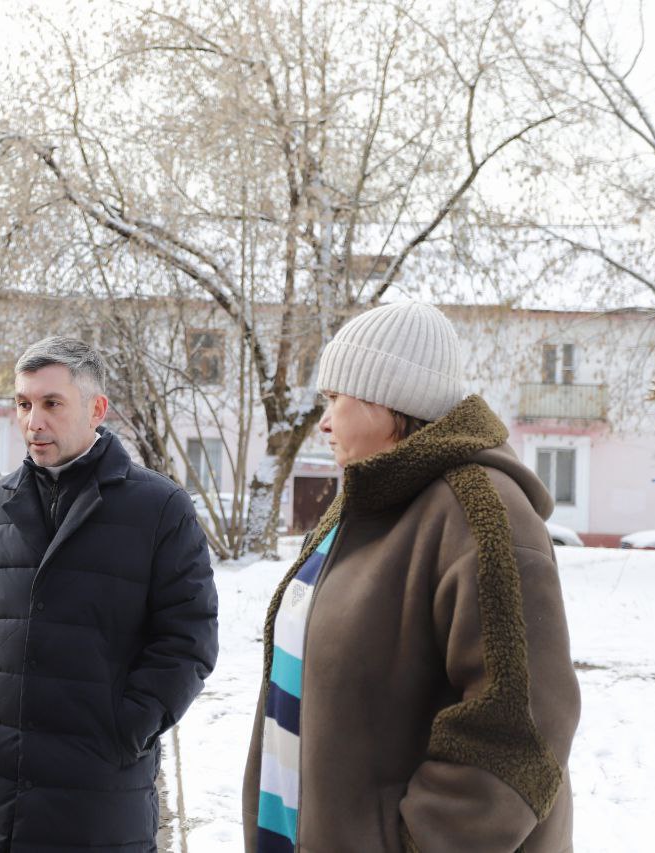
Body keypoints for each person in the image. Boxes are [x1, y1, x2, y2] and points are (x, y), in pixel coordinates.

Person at [242, 302, 581, 852]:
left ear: (389, 403)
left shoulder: (480, 513)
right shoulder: (362, 504)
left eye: (335, 399)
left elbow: (520, 732)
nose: (323, 421)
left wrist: (419, 842)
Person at [0, 336, 220, 852]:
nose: (33, 420)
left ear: (96, 409)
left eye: (51, 403)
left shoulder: (160, 507)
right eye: (23, 404)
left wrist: (127, 729)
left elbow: (188, 639)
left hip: (97, 801)